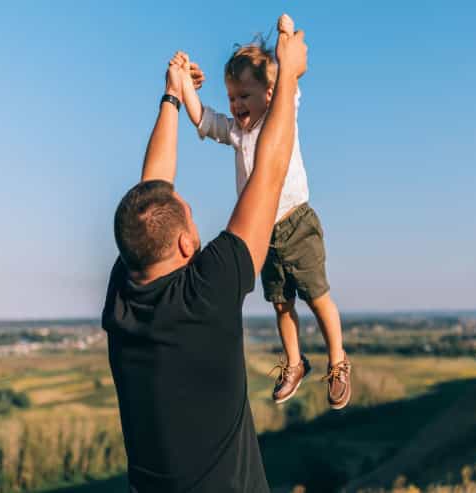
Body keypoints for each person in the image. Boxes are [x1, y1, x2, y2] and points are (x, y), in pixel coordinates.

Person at [101, 15, 307, 492]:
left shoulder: (125, 293)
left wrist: (174, 95)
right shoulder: (204, 294)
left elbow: (152, 195)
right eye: (190, 218)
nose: (195, 221)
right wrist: (289, 75)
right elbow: (270, 173)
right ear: (184, 243)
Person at [177, 14, 351, 409]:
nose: (236, 104)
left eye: (244, 96)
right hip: (264, 234)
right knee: (280, 302)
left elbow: (290, 82)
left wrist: (286, 35)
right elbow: (202, 118)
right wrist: (185, 84)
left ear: (269, 94)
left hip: (296, 222)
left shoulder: (279, 115)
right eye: (232, 97)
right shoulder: (238, 135)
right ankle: (294, 362)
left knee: (317, 296)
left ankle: (338, 360)